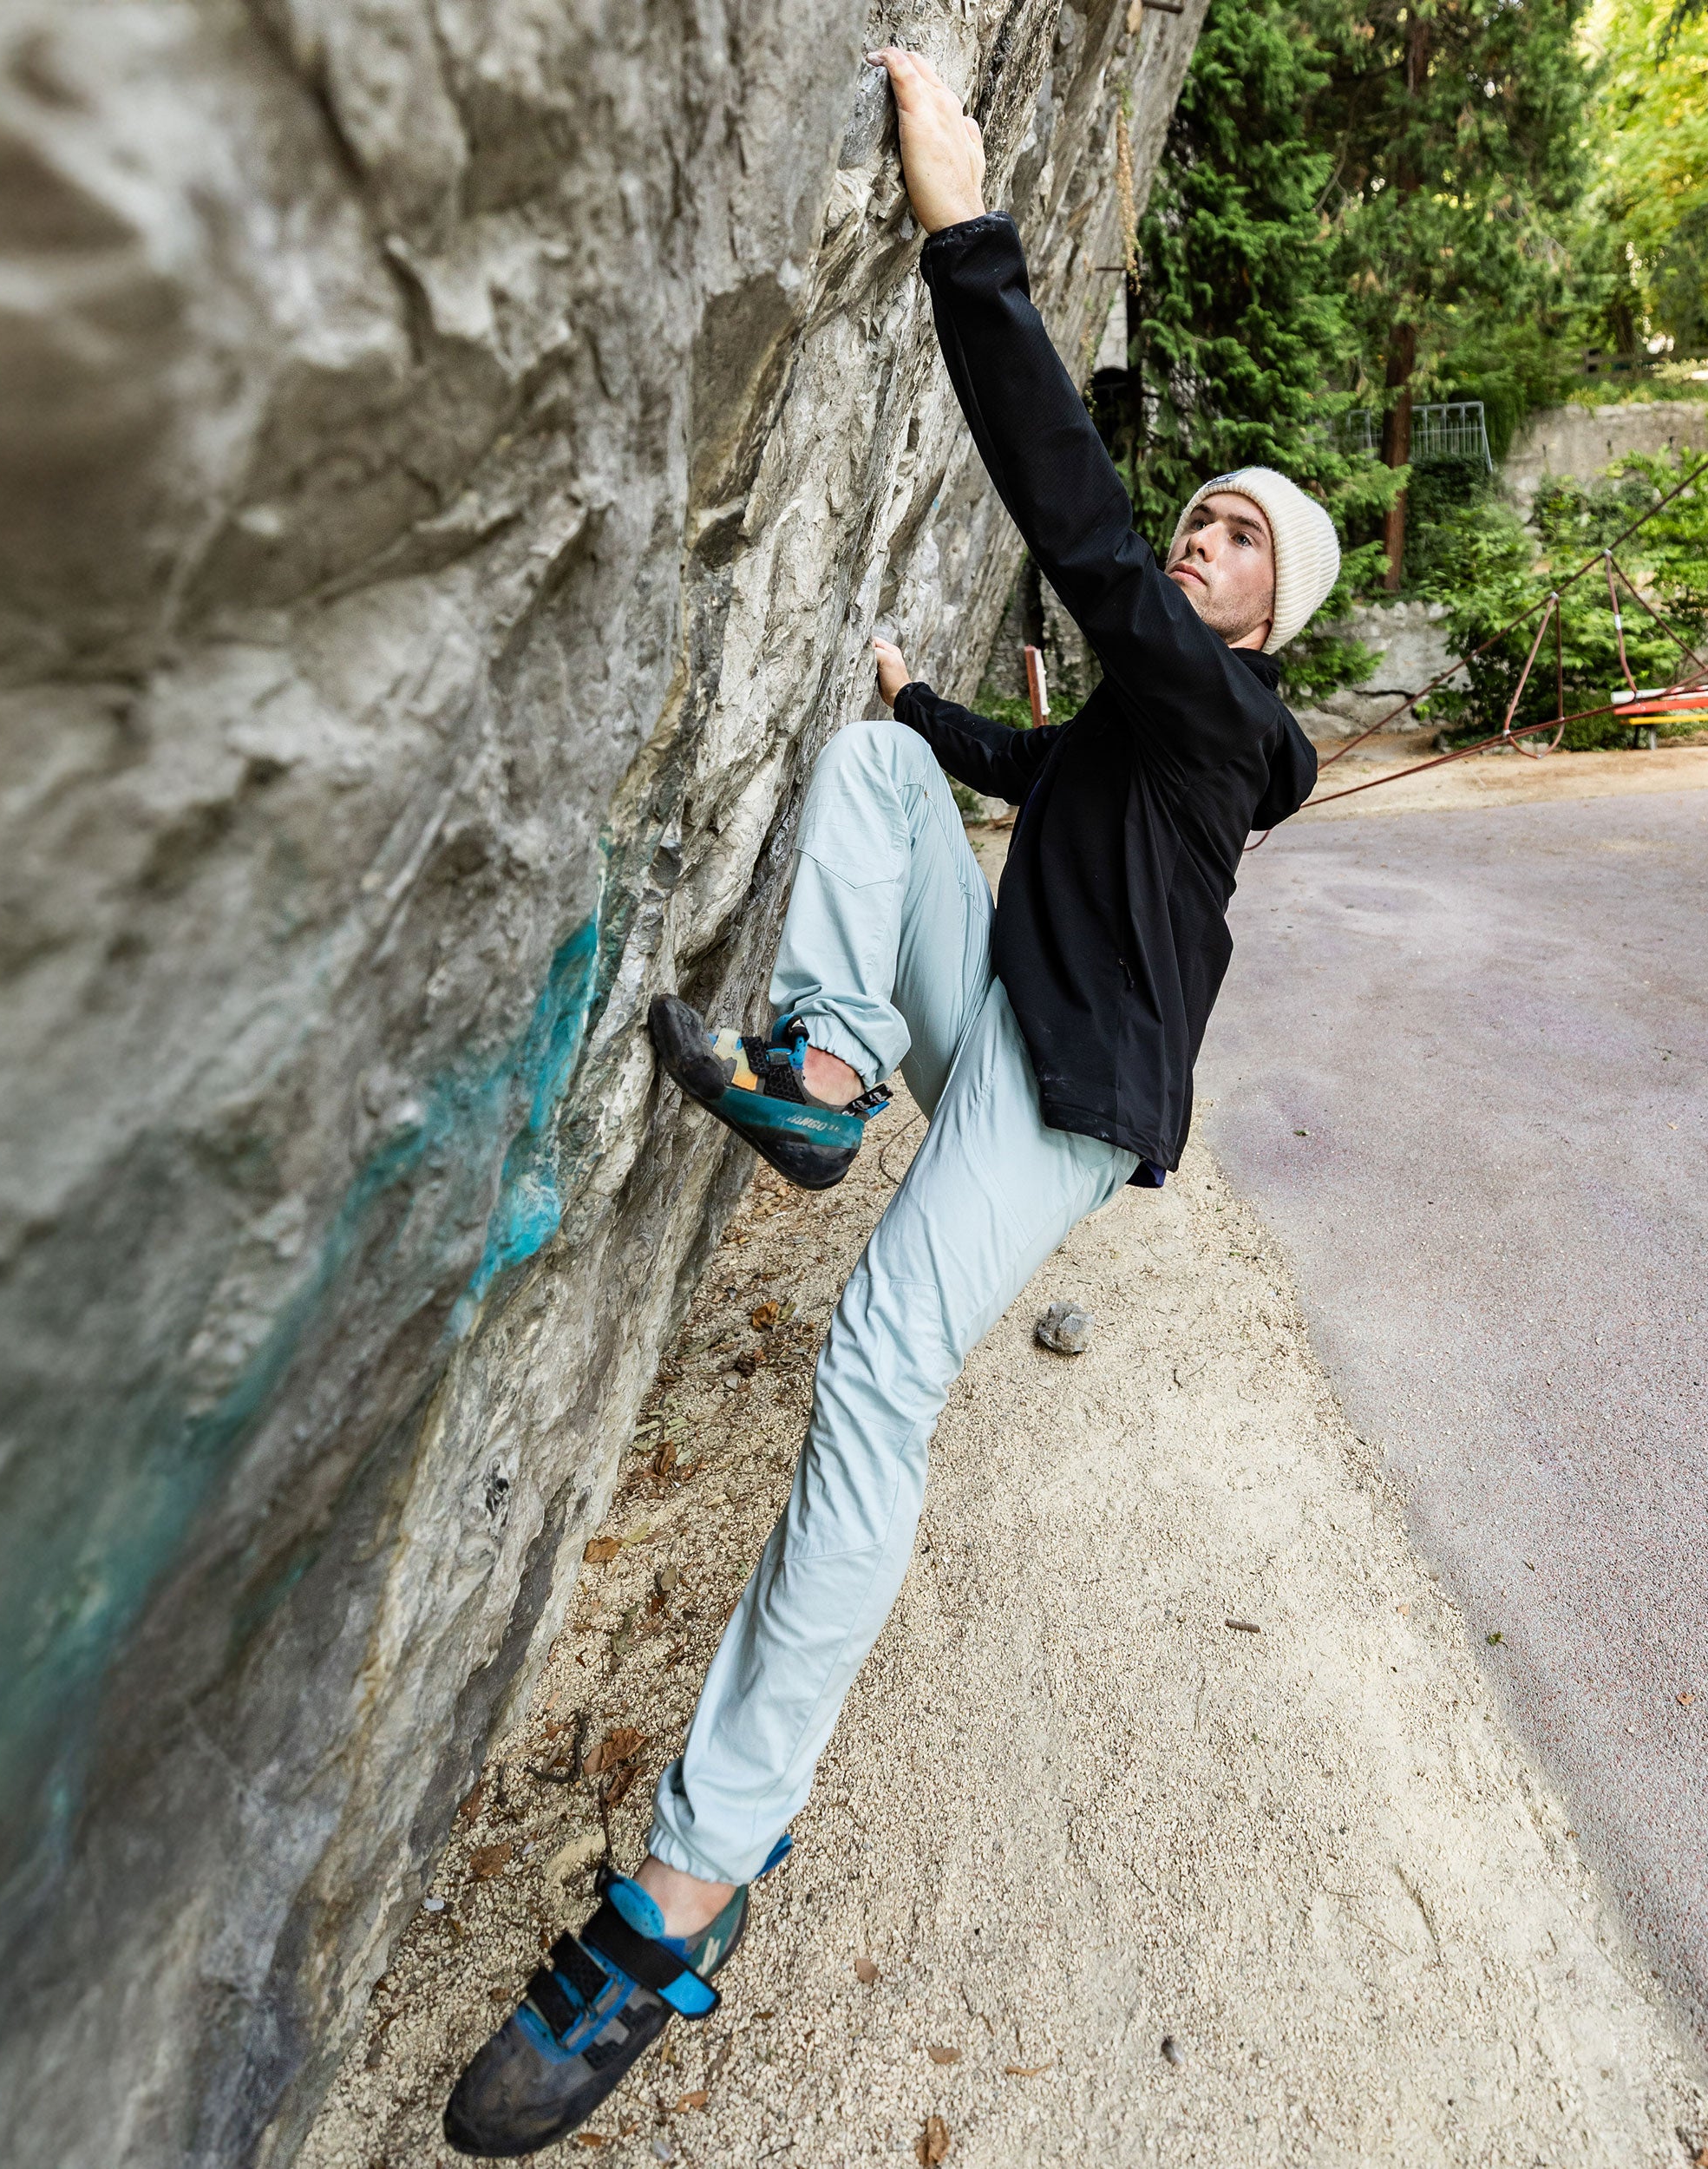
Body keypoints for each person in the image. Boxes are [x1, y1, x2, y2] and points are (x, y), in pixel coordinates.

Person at [442, 47, 1339, 2156]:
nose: (1197, 540)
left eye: (1233, 542)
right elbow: (1024, 776)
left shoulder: (1222, 712)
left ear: (1268, 619)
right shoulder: (1150, 726)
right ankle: (829, 1075)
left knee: (872, 1374)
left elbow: (1072, 517)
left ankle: (682, 1885)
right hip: (984, 1009)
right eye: (1202, 513)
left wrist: (964, 222)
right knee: (869, 773)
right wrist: (911, 710)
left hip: (1070, 1085)